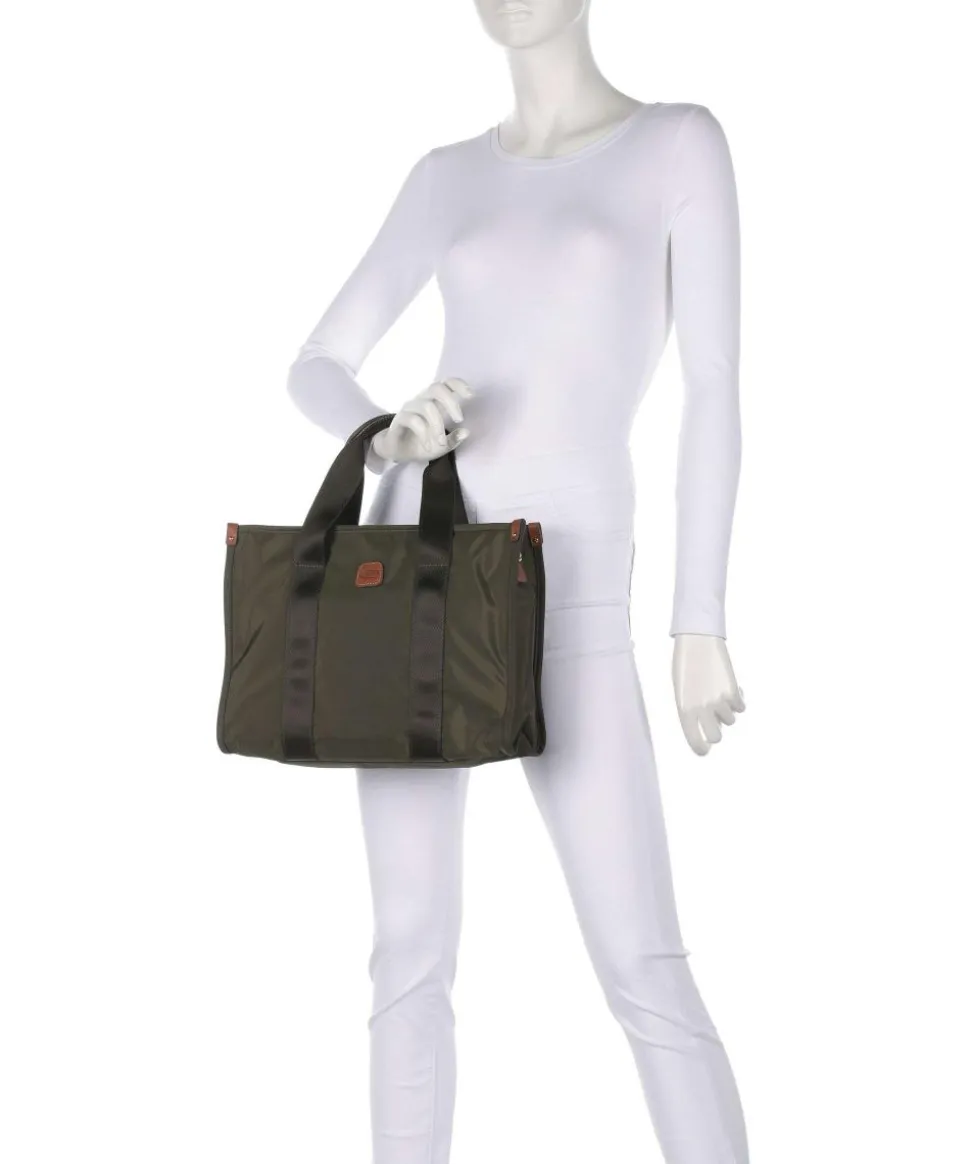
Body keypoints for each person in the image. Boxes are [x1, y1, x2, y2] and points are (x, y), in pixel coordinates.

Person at [285, 2, 749, 1160]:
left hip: (570, 582)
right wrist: (387, 434)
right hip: (418, 577)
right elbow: (316, 363)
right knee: (407, 955)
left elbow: (712, 389)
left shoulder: (677, 144)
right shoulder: (444, 177)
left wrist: (696, 619)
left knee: (642, 961)